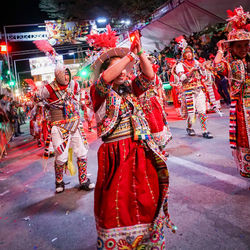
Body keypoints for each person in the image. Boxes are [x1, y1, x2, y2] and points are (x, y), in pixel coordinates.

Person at [89, 28, 175, 248]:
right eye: (118, 67)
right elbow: (106, 78)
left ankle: (146, 242)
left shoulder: (131, 89)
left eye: (126, 68)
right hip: (116, 154)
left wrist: (140, 53)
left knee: (146, 197)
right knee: (117, 203)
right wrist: (128, 56)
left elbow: (149, 76)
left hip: (139, 150)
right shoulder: (99, 92)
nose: (124, 71)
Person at [39, 65, 95, 192]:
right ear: (57, 75)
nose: (66, 77)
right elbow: (37, 99)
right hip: (59, 126)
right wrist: (48, 106)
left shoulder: (74, 84)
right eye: (63, 74)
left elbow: (80, 93)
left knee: (82, 152)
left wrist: (80, 102)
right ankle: (59, 182)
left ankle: (84, 180)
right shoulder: (48, 89)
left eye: (68, 74)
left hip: (75, 124)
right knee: (61, 157)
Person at [214, 6, 249, 178]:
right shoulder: (230, 64)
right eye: (239, 46)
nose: (243, 49)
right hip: (242, 108)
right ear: (232, 48)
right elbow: (217, 66)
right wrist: (220, 50)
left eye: (246, 45)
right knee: (245, 139)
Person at [176, 44, 213, 139]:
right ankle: (189, 127)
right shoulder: (180, 65)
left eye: (190, 52)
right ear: (184, 54)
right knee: (191, 112)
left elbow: (204, 75)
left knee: (202, 110)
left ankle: (204, 130)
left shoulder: (196, 62)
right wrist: (191, 71)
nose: (189, 54)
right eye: (186, 53)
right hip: (188, 91)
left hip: (198, 88)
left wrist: (203, 68)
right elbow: (182, 78)